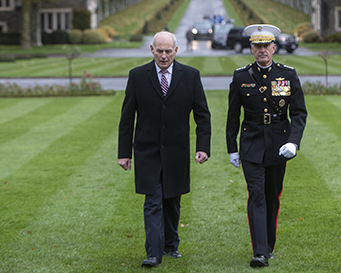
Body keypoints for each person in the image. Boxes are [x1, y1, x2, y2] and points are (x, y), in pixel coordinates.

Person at [118, 31, 211, 268]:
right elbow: (127, 117)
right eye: (159, 51)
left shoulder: (190, 76)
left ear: (176, 51)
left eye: (168, 51)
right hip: (146, 150)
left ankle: (171, 245)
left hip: (177, 151)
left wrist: (203, 147)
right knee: (152, 201)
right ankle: (154, 253)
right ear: (151, 50)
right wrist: (124, 153)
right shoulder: (138, 76)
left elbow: (202, 115)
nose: (163, 56)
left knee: (172, 200)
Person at [226, 24, 307, 268]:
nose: (262, 50)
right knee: (257, 194)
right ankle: (259, 252)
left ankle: (268, 244)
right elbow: (232, 115)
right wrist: (232, 147)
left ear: (274, 47)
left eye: (266, 46)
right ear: (251, 48)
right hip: (251, 142)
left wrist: (293, 141)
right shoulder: (241, 76)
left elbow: (299, 113)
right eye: (257, 46)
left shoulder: (287, 75)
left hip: (279, 141)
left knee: (272, 195)